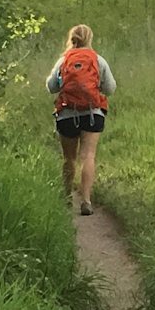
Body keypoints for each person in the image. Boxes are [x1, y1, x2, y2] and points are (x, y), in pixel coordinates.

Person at [47, 24, 114, 216]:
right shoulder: (98, 60)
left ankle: (67, 196)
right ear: (90, 39)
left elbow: (51, 86)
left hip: (67, 114)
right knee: (89, 156)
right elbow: (110, 88)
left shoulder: (64, 60)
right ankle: (86, 201)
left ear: (72, 39)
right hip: (92, 113)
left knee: (69, 158)